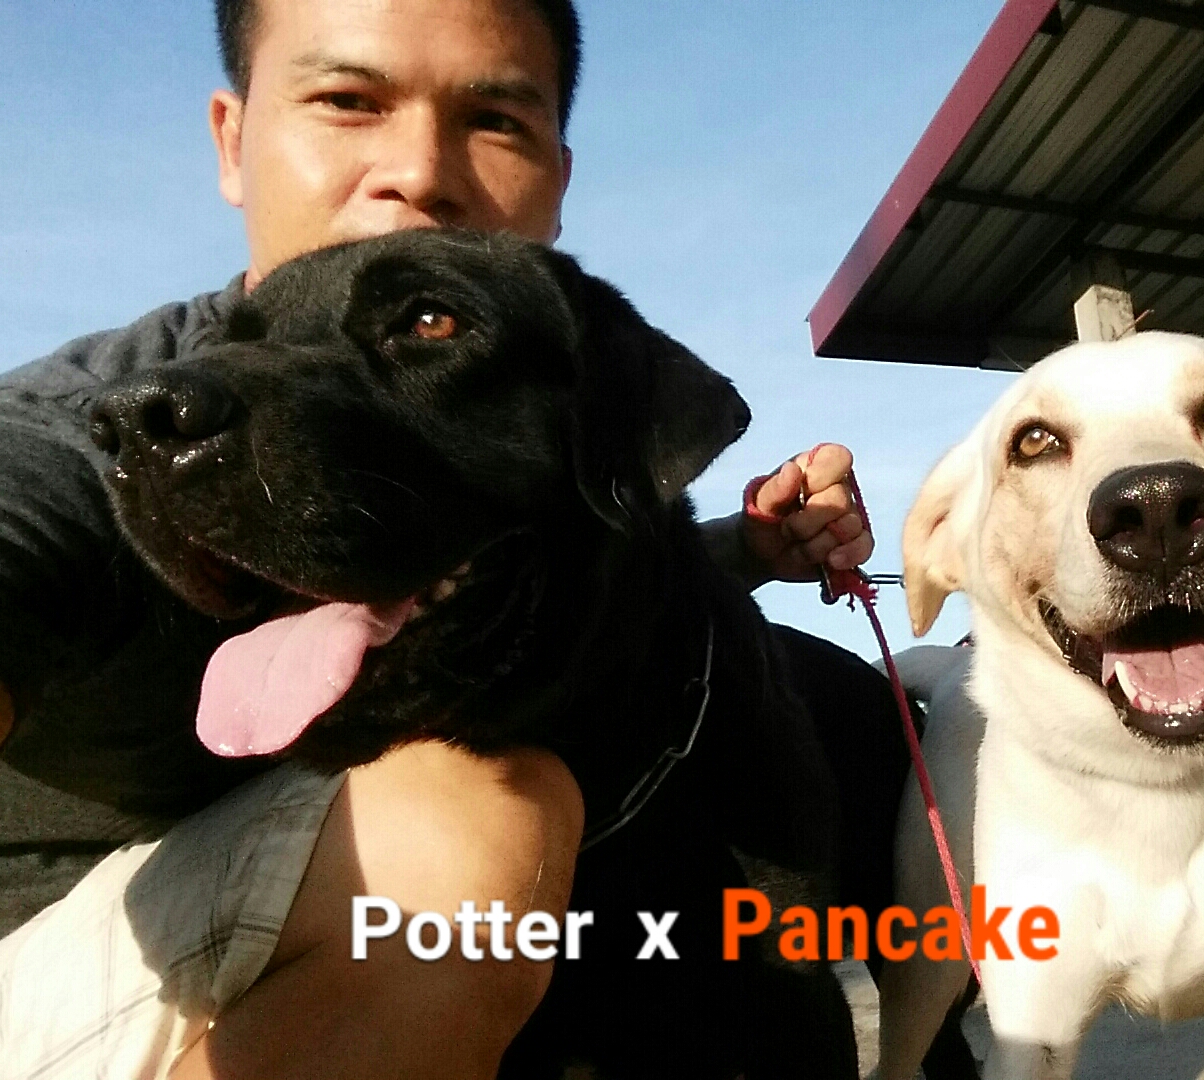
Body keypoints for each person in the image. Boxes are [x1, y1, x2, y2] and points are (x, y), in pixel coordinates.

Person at [0, 2, 904, 1077]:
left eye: (493, 120)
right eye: (349, 100)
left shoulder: (577, 399)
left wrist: (749, 550)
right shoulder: (89, 422)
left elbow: (582, 552)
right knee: (460, 833)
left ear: (557, 174)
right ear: (233, 140)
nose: (418, 172)